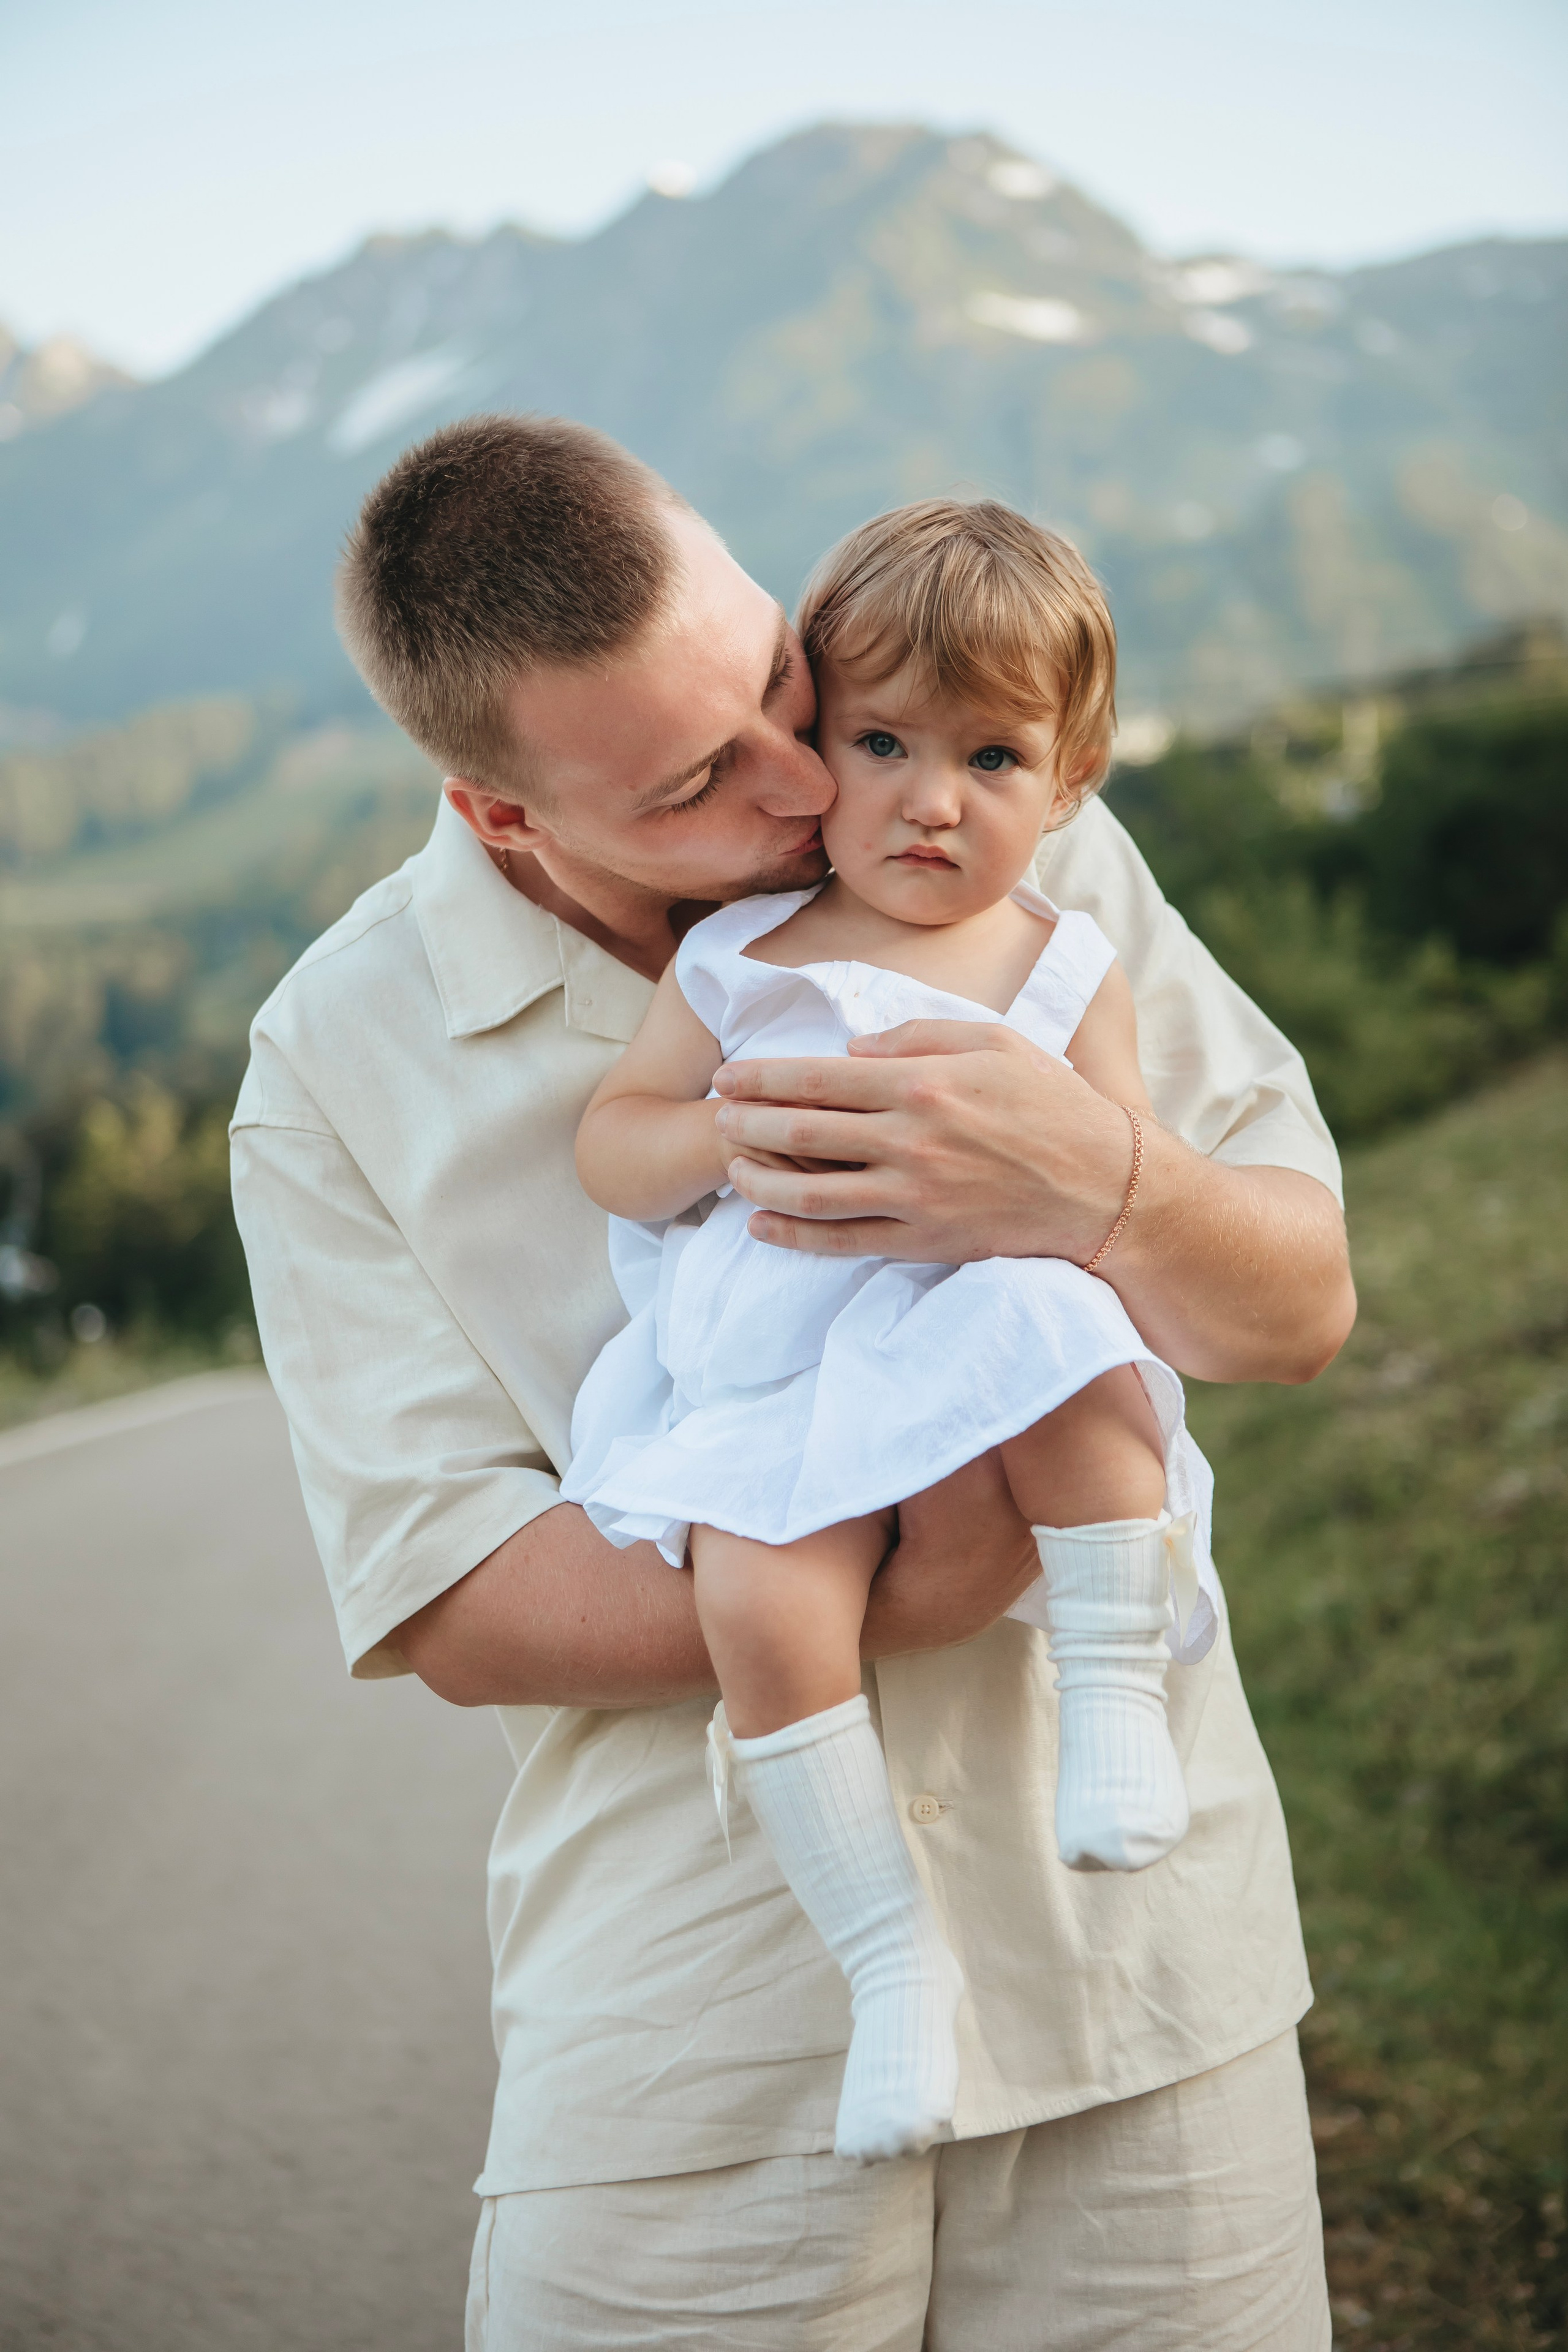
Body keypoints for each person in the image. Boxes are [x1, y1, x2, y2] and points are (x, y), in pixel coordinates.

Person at [231, 412, 1354, 2349]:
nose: (800, 782)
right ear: (510, 817)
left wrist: (1100, 1183)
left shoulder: (1014, 836)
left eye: (773, 677)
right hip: (698, 2056)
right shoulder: (338, 1060)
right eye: (692, 782)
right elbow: (457, 1600)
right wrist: (915, 1575)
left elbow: (1296, 1306)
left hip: (1142, 1986)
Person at [563, 499, 1223, 2165]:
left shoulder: (1069, 971)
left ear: (1070, 784)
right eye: (882, 743)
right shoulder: (738, 958)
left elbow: (1119, 1208)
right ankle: (887, 1962)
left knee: (1068, 1359)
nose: (932, 800)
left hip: (982, 1317)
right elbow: (614, 1144)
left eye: (993, 761)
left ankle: (1112, 1688)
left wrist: (1059, 1203)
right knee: (759, 1597)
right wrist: (720, 1126)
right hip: (786, 1361)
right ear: (817, 745)